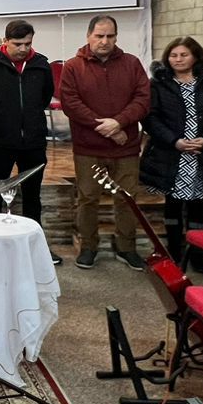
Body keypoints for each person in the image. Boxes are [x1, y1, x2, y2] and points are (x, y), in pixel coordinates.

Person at [58, 15, 150, 271]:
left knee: (127, 199)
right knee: (88, 198)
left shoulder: (132, 63)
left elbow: (143, 99)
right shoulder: (73, 66)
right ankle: (88, 247)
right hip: (89, 147)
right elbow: (71, 103)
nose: (104, 41)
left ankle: (126, 248)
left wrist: (119, 122)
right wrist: (108, 129)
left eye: (110, 36)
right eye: (99, 36)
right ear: (89, 36)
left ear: (116, 37)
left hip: (125, 147)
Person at [139, 37, 203, 274]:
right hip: (171, 152)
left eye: (184, 55)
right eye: (173, 55)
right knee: (172, 204)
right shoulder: (159, 83)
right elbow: (150, 117)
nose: (178, 59)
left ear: (195, 56)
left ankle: (197, 254)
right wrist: (174, 141)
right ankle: (174, 251)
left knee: (197, 206)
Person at [0, 18, 58, 264]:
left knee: (32, 195)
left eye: (27, 44)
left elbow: (44, 97)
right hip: (1, 141)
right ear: (5, 41)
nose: (23, 49)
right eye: (17, 44)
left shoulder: (40, 65)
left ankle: (34, 247)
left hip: (33, 141)